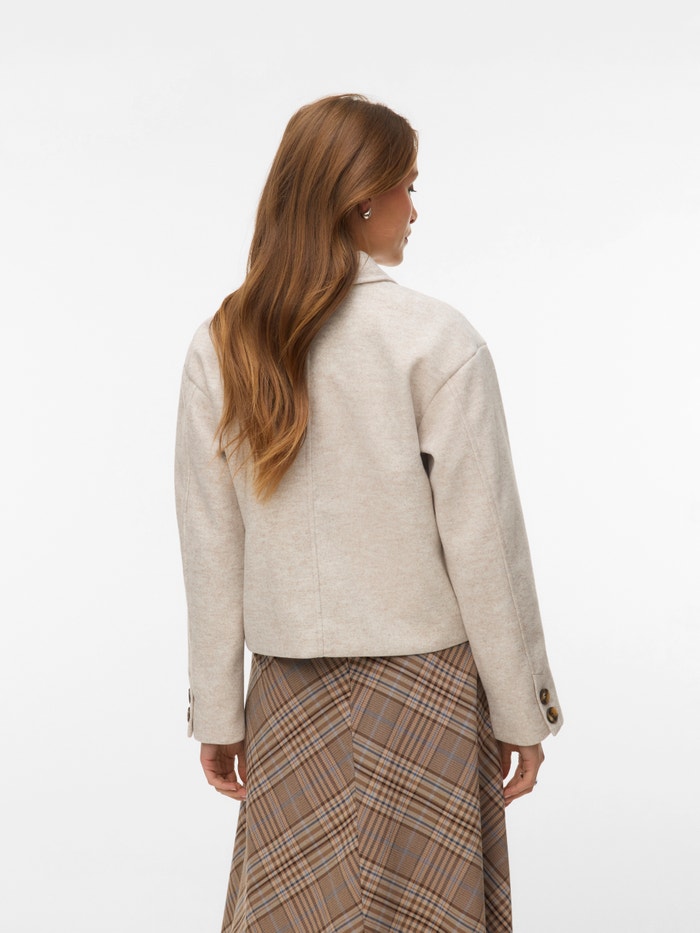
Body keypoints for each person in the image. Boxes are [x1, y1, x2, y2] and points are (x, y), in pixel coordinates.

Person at [174, 93, 563, 933]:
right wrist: (520, 708)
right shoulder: (435, 338)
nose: (414, 211)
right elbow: (484, 544)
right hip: (425, 692)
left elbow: (211, 543)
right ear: (362, 198)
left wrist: (220, 708)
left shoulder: (224, 342)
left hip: (288, 693)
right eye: (407, 188)